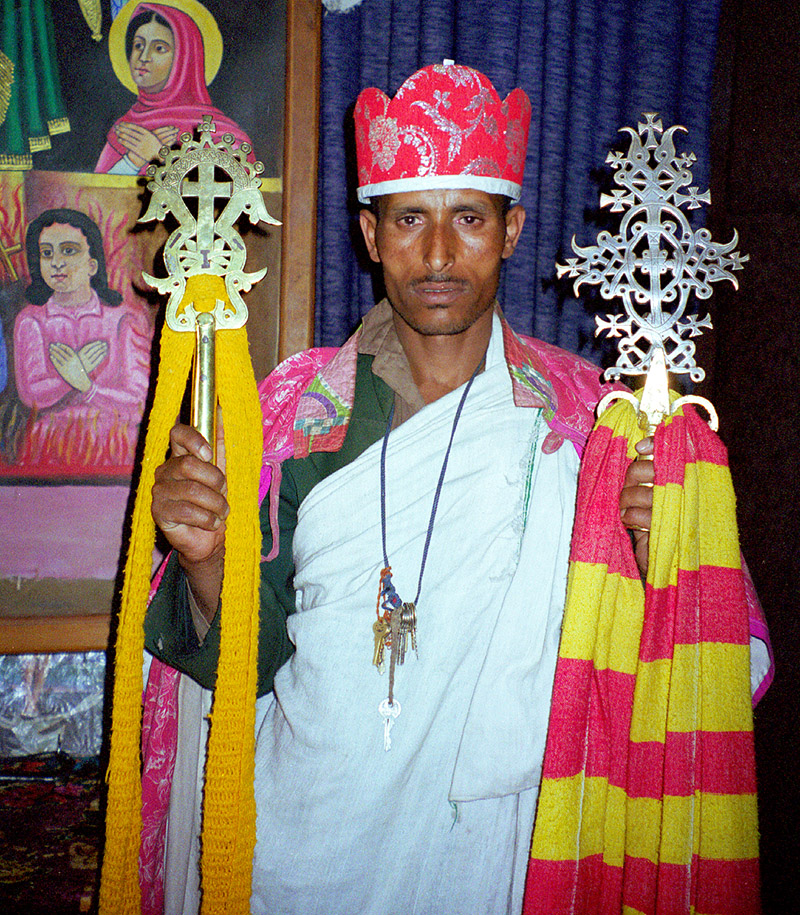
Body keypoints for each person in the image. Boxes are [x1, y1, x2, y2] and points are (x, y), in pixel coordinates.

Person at [143, 63, 768, 914]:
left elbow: (711, 654)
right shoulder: (298, 415)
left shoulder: (594, 424)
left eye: (468, 218)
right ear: (371, 235)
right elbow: (242, 663)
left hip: (503, 860)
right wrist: (206, 559)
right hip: (307, 844)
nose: (438, 254)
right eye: (410, 219)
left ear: (511, 231)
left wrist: (663, 552)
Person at [13, 208, 152, 447]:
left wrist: (85, 385)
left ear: (92, 264)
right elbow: (31, 395)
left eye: (69, 251)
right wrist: (70, 377)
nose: (56, 263)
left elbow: (137, 400)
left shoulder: (124, 319)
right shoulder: (30, 320)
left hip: (117, 440)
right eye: (46, 253)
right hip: (49, 441)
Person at [96, 0, 254, 176]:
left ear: (183, 59)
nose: (143, 56)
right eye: (138, 45)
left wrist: (161, 155)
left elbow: (235, 193)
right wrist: (133, 160)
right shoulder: (125, 130)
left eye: (159, 48)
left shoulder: (220, 134)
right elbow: (93, 197)